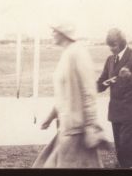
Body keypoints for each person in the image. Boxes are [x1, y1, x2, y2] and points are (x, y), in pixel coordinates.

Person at [33, 21, 107, 168]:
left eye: (54, 30)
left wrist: (91, 126)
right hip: (67, 128)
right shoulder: (67, 54)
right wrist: (50, 117)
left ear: (64, 33)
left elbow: (89, 92)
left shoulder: (78, 53)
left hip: (77, 131)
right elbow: (64, 95)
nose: (51, 34)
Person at [97, 28, 132, 168]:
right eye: (109, 45)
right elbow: (101, 83)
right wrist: (88, 88)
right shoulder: (110, 60)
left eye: (114, 45)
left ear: (123, 43)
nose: (111, 49)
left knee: (127, 151)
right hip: (116, 112)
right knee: (120, 151)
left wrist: (130, 76)